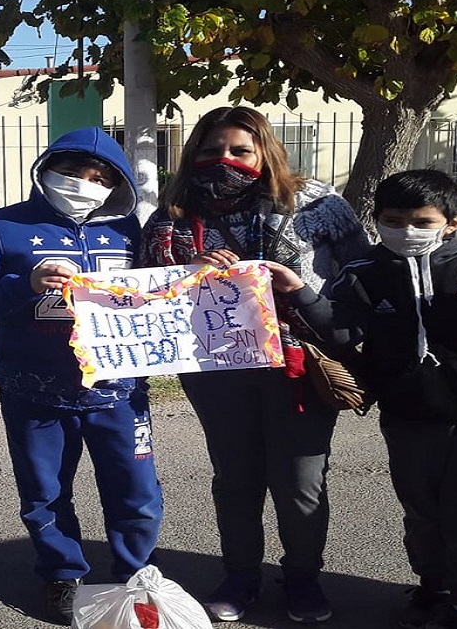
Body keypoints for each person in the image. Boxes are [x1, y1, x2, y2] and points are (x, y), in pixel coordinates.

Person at [265, 169, 457, 629]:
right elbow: (344, 328)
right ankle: (432, 587)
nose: (407, 231)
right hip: (408, 415)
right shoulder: (364, 272)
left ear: (452, 222)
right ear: (377, 219)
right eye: (394, 219)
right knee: (421, 511)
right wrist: (301, 292)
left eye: (422, 221)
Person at [140, 106, 370, 624]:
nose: (225, 159)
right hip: (216, 367)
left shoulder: (317, 205)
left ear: (265, 151)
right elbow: (144, 290)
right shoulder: (172, 217)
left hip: (299, 364)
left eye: (240, 150)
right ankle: (241, 576)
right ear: (194, 153)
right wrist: (187, 274)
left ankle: (304, 580)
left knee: (299, 480)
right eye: (211, 149)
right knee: (236, 477)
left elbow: (362, 278)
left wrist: (302, 291)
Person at [0, 127, 163, 626]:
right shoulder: (2, 227)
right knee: (44, 492)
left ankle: (135, 573)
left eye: (99, 176)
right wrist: (24, 284)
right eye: (71, 171)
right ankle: (62, 574)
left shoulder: (133, 232)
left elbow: (166, 289)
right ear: (46, 169)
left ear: (117, 183)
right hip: (33, 389)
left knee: (137, 491)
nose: (83, 183)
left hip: (119, 392)